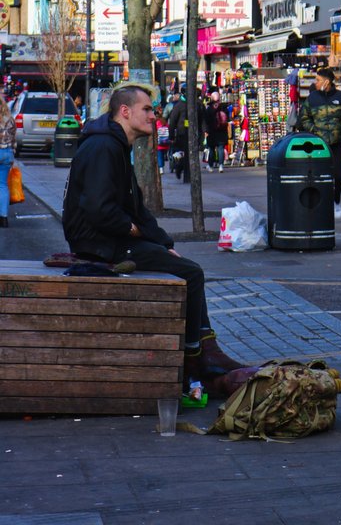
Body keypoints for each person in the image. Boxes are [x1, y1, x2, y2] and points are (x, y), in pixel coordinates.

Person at [62, 84, 244, 390]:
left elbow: (138, 209)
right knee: (192, 273)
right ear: (125, 112)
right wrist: (131, 230)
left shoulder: (117, 145)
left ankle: (205, 350)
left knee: (182, 265)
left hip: (111, 238)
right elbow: (98, 208)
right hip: (99, 245)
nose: (153, 115)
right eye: (146, 109)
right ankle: (196, 356)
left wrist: (163, 244)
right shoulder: (104, 148)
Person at [297, 67, 341, 220]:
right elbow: (304, 118)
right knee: (318, 177)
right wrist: (314, 130)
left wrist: (340, 126)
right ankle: (320, 206)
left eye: (317, 80)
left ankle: (336, 202)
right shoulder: (312, 98)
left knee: (339, 176)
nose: (315, 83)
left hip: (336, 143)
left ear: (327, 82)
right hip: (318, 145)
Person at [0, 94, 16, 227]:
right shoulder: (10, 120)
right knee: (3, 185)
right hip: (7, 153)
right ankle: (4, 217)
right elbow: (14, 139)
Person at [204, 92, 228, 173]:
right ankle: (221, 165)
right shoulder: (224, 107)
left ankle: (210, 165)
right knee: (221, 148)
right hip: (222, 131)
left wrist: (206, 131)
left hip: (212, 132)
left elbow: (206, 121)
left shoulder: (209, 108)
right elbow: (227, 119)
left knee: (211, 149)